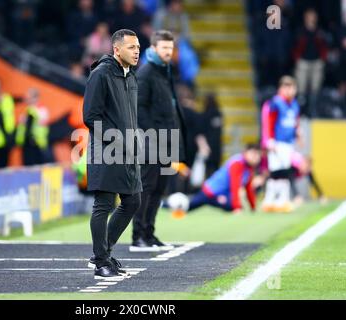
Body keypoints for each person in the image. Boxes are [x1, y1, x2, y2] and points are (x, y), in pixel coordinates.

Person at [83, 29, 142, 279]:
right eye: (131, 47)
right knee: (104, 205)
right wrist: (116, 139)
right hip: (106, 151)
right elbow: (90, 117)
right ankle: (101, 264)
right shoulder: (101, 74)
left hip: (127, 152)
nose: (137, 51)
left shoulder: (130, 77)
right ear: (116, 49)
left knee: (133, 201)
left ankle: (102, 253)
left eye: (138, 46)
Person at [130, 30, 187, 252]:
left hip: (166, 140)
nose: (167, 52)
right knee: (146, 187)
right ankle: (137, 236)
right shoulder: (145, 73)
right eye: (164, 48)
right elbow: (138, 108)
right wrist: (153, 134)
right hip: (151, 140)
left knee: (159, 188)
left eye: (170, 49)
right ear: (153, 48)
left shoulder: (165, 72)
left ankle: (149, 233)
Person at [177, 144, 261, 214]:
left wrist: (253, 207)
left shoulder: (249, 168)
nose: (255, 157)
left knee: (189, 206)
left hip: (222, 193)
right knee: (187, 207)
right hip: (211, 192)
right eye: (253, 154)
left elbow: (249, 188)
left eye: (257, 155)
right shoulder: (237, 163)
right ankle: (166, 204)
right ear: (245, 153)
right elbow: (234, 186)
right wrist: (237, 208)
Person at [261, 76, 301, 213]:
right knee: (278, 172)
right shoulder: (275, 103)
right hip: (277, 142)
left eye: (292, 87)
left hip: (288, 143)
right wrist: (269, 139)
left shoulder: (294, 104)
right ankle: (273, 200)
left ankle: (276, 201)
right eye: (287, 87)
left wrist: (298, 134)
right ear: (281, 88)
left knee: (282, 172)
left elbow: (295, 122)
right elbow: (268, 121)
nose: (290, 91)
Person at [293, 8, 328, 117]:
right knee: (301, 89)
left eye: (313, 16)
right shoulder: (300, 31)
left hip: (317, 62)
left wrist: (323, 58)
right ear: (305, 18)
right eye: (309, 16)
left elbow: (325, 46)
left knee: (315, 89)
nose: (312, 18)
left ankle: (313, 111)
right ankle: (300, 112)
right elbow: (294, 45)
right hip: (303, 62)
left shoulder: (319, 31)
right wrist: (297, 58)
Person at [16, 88, 50, 166]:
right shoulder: (27, 110)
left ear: (35, 98)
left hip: (37, 144)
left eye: (29, 97)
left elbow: (41, 123)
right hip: (26, 143)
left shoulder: (41, 110)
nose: (27, 100)